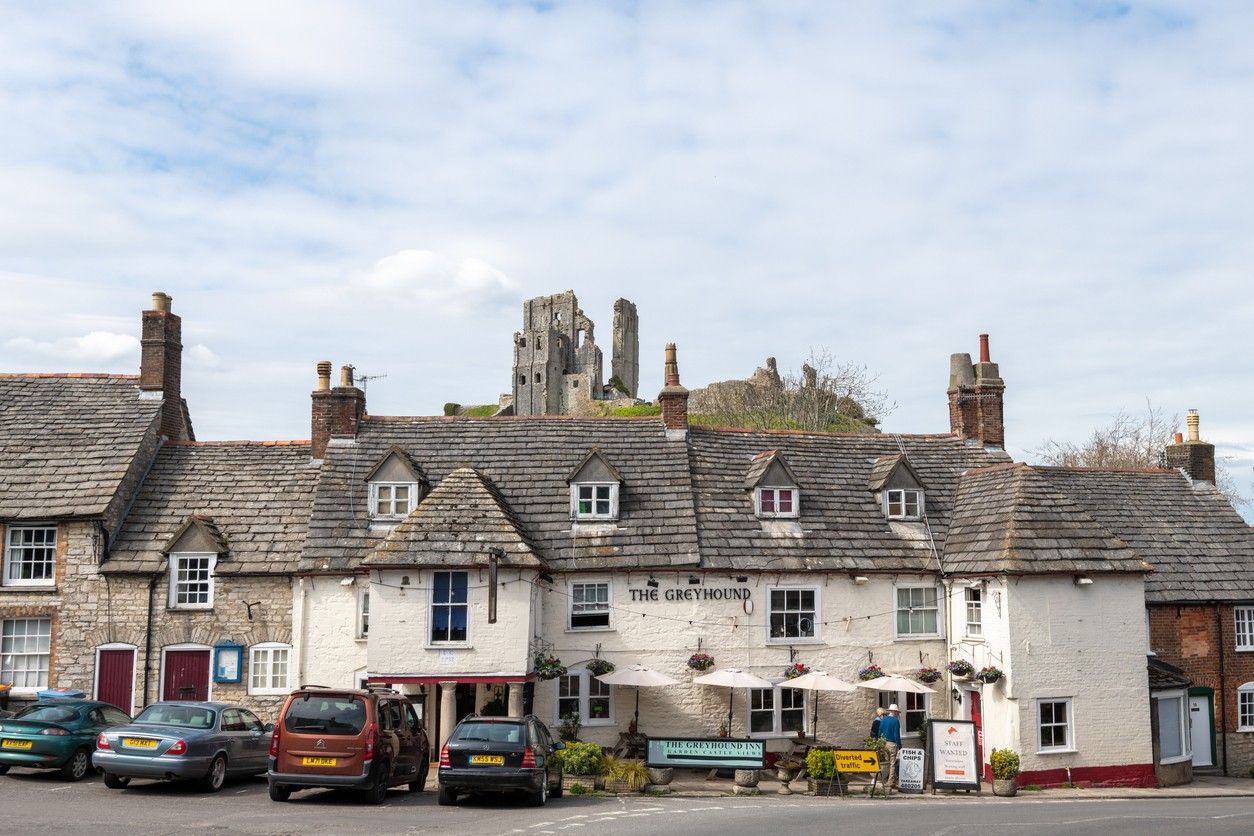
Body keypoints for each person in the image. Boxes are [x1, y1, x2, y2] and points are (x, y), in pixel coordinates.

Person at [879, 703, 903, 790]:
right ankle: (890, 782)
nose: (897, 713)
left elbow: (879, 732)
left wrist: (880, 742)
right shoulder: (896, 721)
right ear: (894, 711)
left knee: (886, 763)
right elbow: (897, 735)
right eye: (897, 712)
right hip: (892, 743)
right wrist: (900, 746)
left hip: (884, 743)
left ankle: (885, 780)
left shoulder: (883, 720)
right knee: (892, 764)